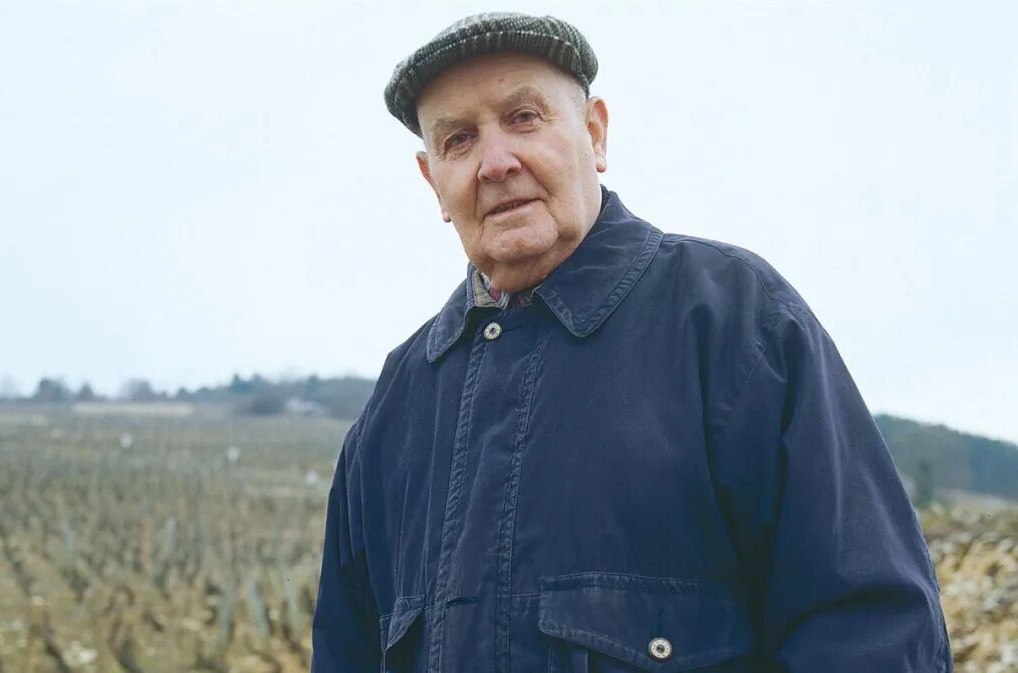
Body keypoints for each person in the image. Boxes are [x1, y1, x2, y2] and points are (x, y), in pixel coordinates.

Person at [312, 12, 953, 673]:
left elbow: (872, 633)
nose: (496, 163)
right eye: (459, 139)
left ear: (595, 135)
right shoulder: (392, 412)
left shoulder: (737, 325)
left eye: (524, 118)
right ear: (433, 182)